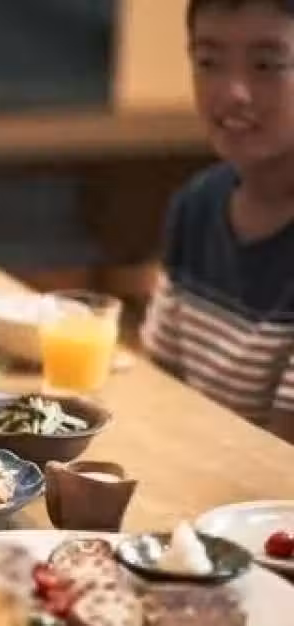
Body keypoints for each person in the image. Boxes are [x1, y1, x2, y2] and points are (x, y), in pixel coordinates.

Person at [141, 0, 294, 442]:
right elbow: (160, 386)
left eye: (266, 65)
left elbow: (279, 462)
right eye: (209, 62)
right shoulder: (198, 203)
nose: (233, 93)